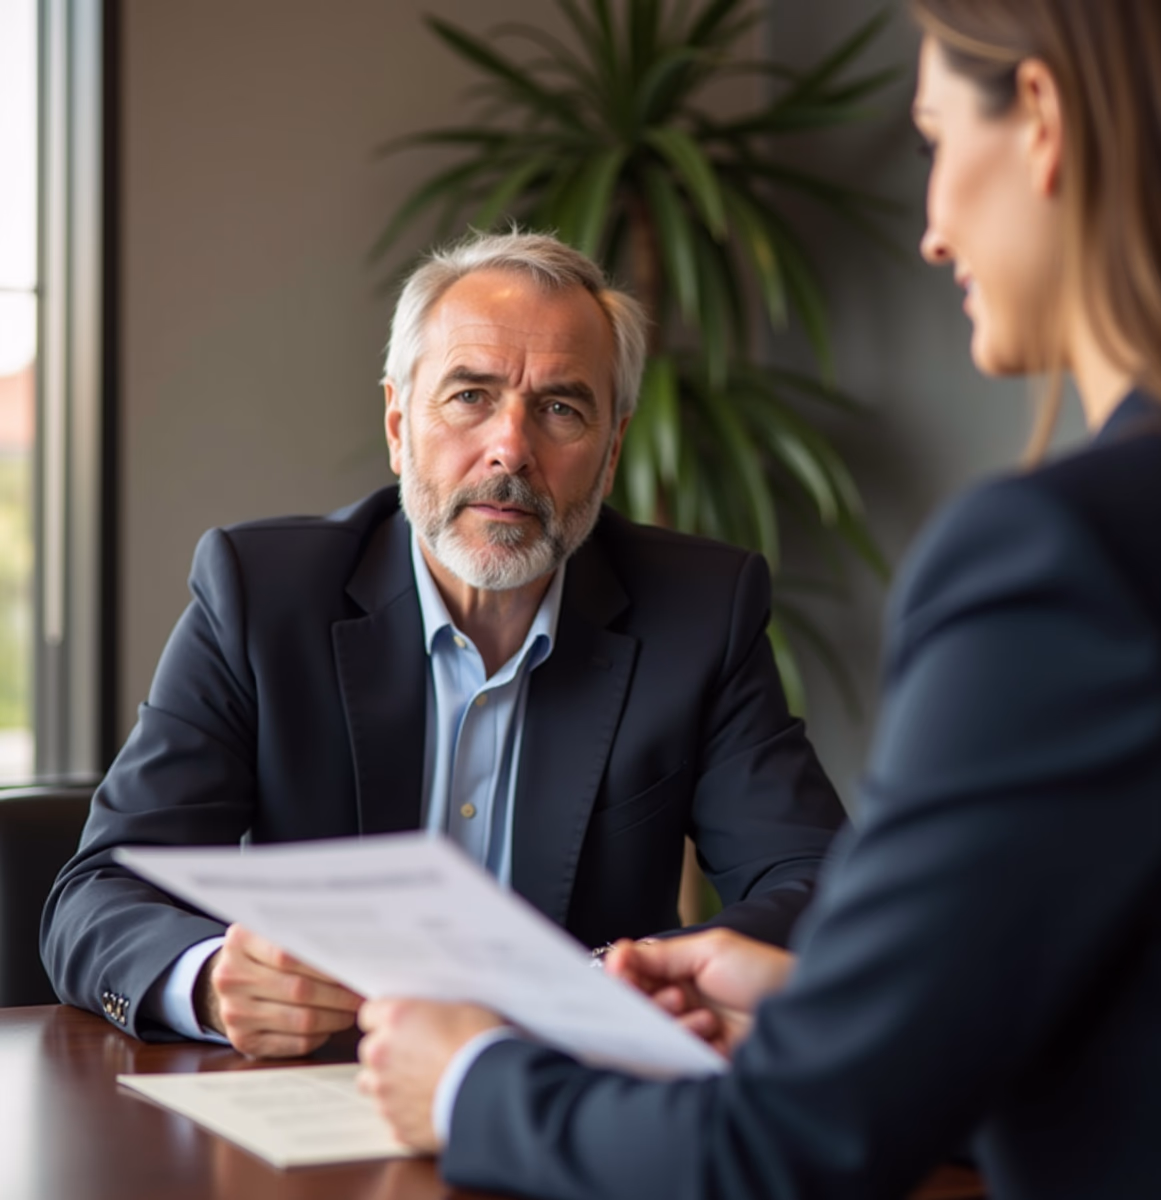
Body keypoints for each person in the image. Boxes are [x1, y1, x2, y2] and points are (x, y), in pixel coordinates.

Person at [353, 3, 1161, 1197]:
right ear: (401, 420)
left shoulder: (1062, 556)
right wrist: (837, 1010)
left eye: (934, 139)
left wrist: (467, 1082)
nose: (933, 230)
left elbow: (790, 1148)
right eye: (469, 396)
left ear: (1043, 122)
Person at [42, 231, 844, 1057]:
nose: (510, 449)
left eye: (561, 408)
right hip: (322, 1092)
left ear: (610, 456)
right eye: (470, 396)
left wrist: (631, 978)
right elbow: (97, 893)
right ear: (399, 425)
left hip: (570, 1091)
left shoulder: (699, 613)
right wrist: (212, 982)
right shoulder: (261, 596)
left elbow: (818, 885)